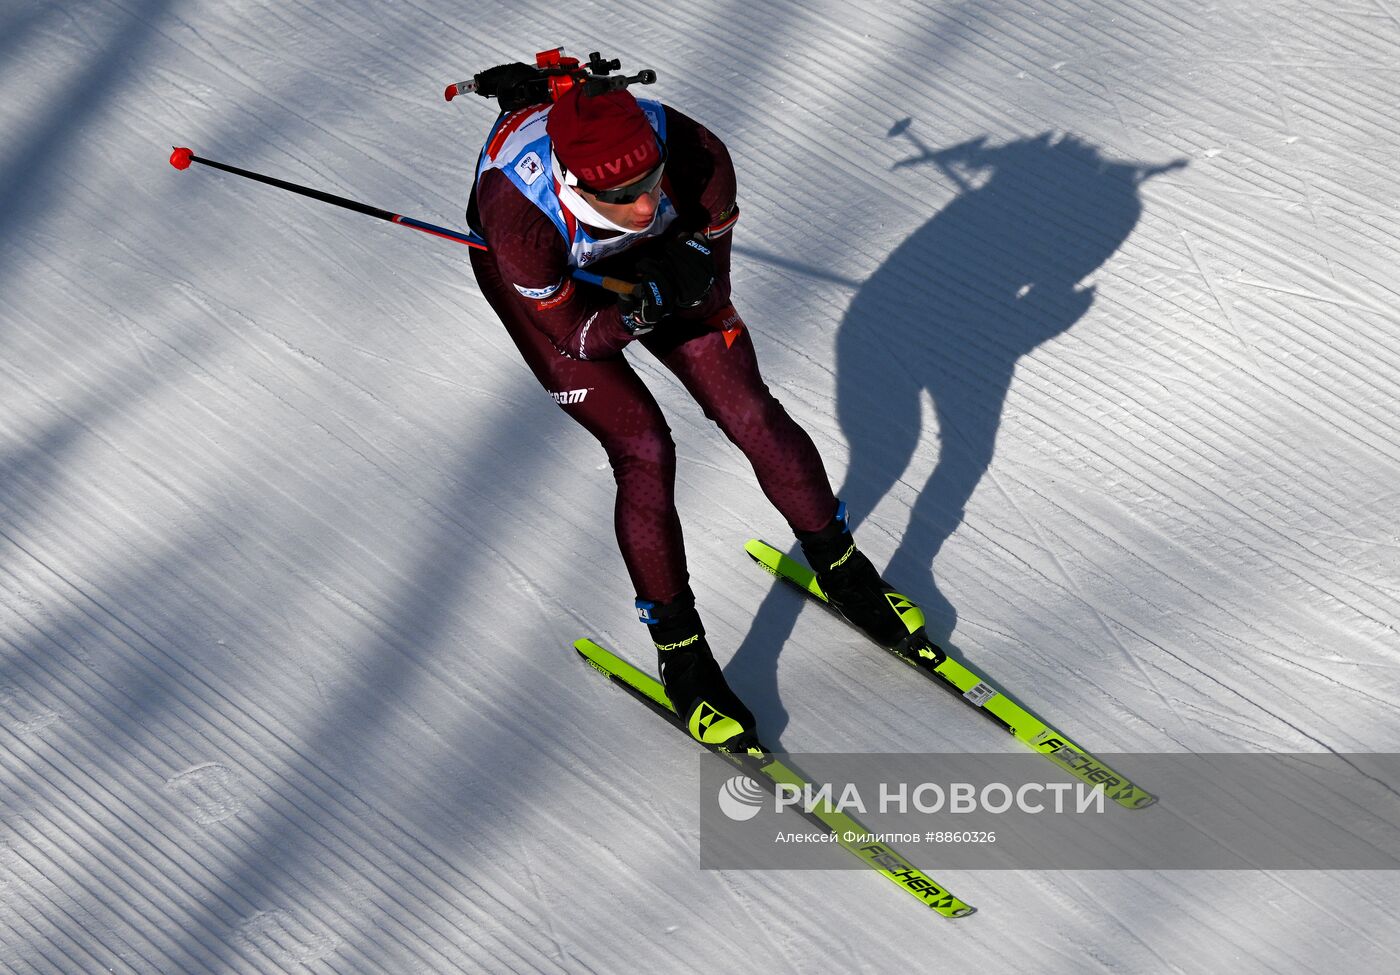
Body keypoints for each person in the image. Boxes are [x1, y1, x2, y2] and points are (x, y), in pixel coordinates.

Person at [466, 77, 926, 752]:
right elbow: (577, 336)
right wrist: (632, 312)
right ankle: (682, 654)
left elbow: (716, 284)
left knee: (749, 410)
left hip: (651, 266)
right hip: (562, 300)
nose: (647, 202)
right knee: (645, 449)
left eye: (651, 180)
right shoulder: (518, 214)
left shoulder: (697, 155)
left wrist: (687, 270)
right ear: (573, 180)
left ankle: (845, 569)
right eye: (623, 197)